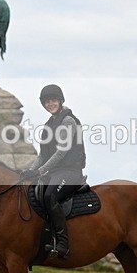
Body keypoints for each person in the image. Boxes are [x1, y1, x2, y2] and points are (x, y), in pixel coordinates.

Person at [21, 84, 86, 259]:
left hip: (71, 171)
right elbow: (42, 155)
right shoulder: (48, 125)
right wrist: (30, 171)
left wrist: (40, 171)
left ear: (60, 100)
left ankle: (63, 243)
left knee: (50, 195)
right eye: (47, 101)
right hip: (54, 172)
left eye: (53, 100)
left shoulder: (68, 121)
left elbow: (62, 152)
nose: (50, 104)